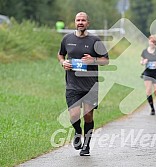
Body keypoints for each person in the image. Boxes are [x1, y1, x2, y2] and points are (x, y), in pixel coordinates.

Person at [57, 12, 109, 156]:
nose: (80, 22)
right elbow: (60, 54)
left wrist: (93, 60)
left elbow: (106, 60)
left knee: (88, 117)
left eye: (83, 20)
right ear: (75, 22)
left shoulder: (95, 40)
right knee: (74, 115)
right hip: (72, 84)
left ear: (88, 23)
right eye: (78, 20)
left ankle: (86, 146)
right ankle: (78, 132)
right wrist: (63, 62)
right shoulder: (67, 39)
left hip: (90, 85)